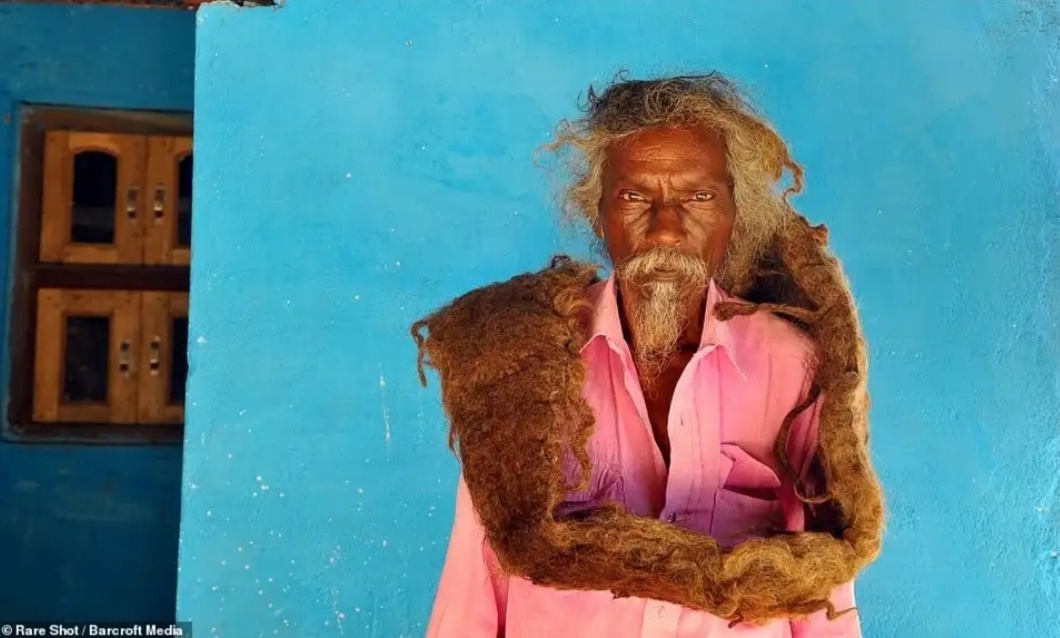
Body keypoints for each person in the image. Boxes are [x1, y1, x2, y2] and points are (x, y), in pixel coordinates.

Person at [414, 73, 884, 638]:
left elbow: (825, 577)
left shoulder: (793, 365)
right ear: (598, 213)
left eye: (699, 197)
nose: (665, 230)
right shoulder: (524, 356)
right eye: (636, 197)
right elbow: (474, 582)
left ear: (735, 215)